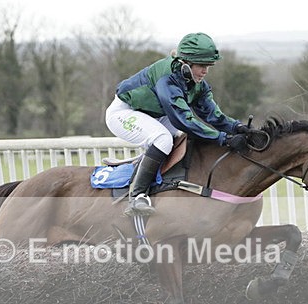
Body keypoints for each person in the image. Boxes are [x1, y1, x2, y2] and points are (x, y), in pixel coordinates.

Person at [105, 32, 251, 217]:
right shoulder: (167, 79)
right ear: (186, 63)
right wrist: (224, 139)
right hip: (124, 113)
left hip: (153, 114)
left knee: (178, 138)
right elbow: (184, 120)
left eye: (208, 66)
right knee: (163, 139)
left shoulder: (196, 82)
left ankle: (162, 187)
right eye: (201, 66)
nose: (205, 71)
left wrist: (237, 127)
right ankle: (137, 196)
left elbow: (212, 113)